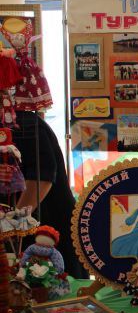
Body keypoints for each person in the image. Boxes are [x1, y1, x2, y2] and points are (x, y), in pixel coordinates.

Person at [12, 111, 88, 279]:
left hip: (48, 224)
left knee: (56, 283)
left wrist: (12, 224)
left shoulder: (25, 124)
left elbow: (41, 178)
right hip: (28, 225)